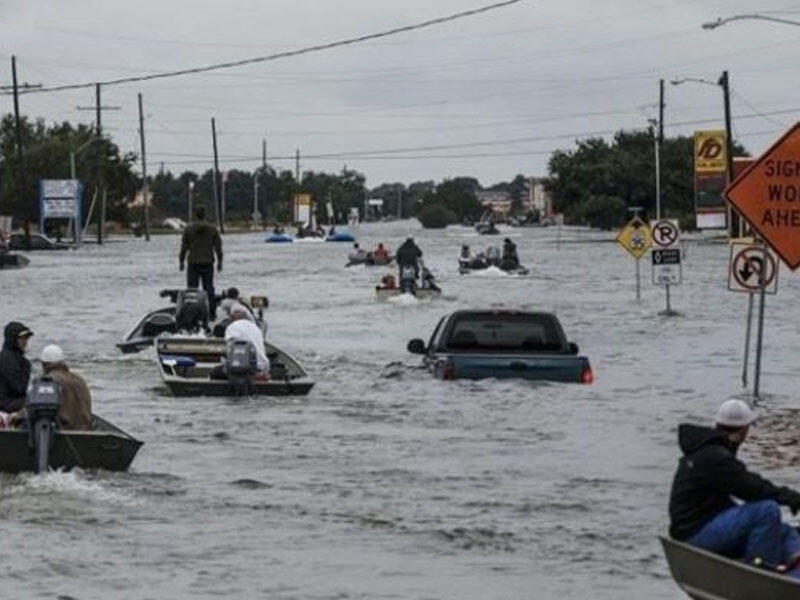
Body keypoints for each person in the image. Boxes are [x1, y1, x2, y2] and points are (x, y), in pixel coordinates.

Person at [669, 399, 800, 574]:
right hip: (694, 533)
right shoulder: (715, 457)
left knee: (783, 531)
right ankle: (759, 574)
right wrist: (790, 498)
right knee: (767, 511)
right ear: (745, 430)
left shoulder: (708, 449)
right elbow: (752, 488)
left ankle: (795, 579)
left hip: (702, 522)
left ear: (717, 424)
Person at [36, 345, 93, 431]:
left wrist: (16, 417)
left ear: (43, 364)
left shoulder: (46, 381)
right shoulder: (79, 380)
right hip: (86, 430)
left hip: (63, 431)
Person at [179, 206, 222, 318]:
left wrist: (181, 261)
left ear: (195, 215)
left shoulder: (188, 229)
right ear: (205, 214)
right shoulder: (213, 229)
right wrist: (220, 261)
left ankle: (192, 313)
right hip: (208, 262)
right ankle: (212, 313)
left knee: (192, 289)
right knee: (209, 288)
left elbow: (184, 247)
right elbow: (218, 247)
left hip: (193, 262)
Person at [212, 307, 270, 379]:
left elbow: (230, 349)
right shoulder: (256, 328)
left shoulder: (232, 327)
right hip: (263, 368)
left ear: (231, 319)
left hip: (244, 370)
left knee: (215, 372)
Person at [0, 321, 33, 414]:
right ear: (13, 339)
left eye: (26, 338)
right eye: (21, 338)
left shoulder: (22, 360)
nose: (25, 341)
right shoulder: (6, 359)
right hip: (5, 403)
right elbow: (19, 387)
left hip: (13, 402)